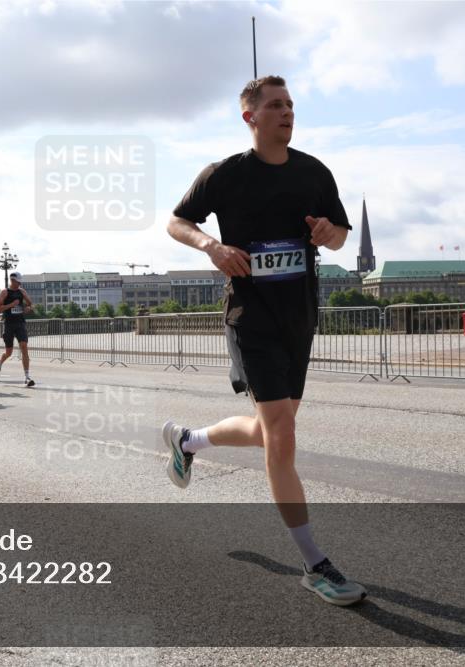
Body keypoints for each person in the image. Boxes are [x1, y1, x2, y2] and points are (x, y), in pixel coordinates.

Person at [162, 75, 365, 606]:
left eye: (291, 104)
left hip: (300, 315)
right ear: (250, 116)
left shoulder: (314, 172)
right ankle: (314, 563)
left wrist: (329, 233)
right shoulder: (225, 175)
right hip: (250, 315)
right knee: (280, 431)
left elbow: (342, 235)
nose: (286, 112)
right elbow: (176, 221)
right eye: (275, 105)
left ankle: (188, 441)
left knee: (272, 430)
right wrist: (211, 244)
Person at [0, 272, 35, 387]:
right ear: (12, 280)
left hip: (20, 323)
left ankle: (27, 377)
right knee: (9, 352)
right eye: (18, 281)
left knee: (24, 347)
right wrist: (11, 305)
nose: (20, 283)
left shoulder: (22, 291)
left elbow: (31, 305)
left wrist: (28, 309)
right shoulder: (4, 292)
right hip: (9, 324)